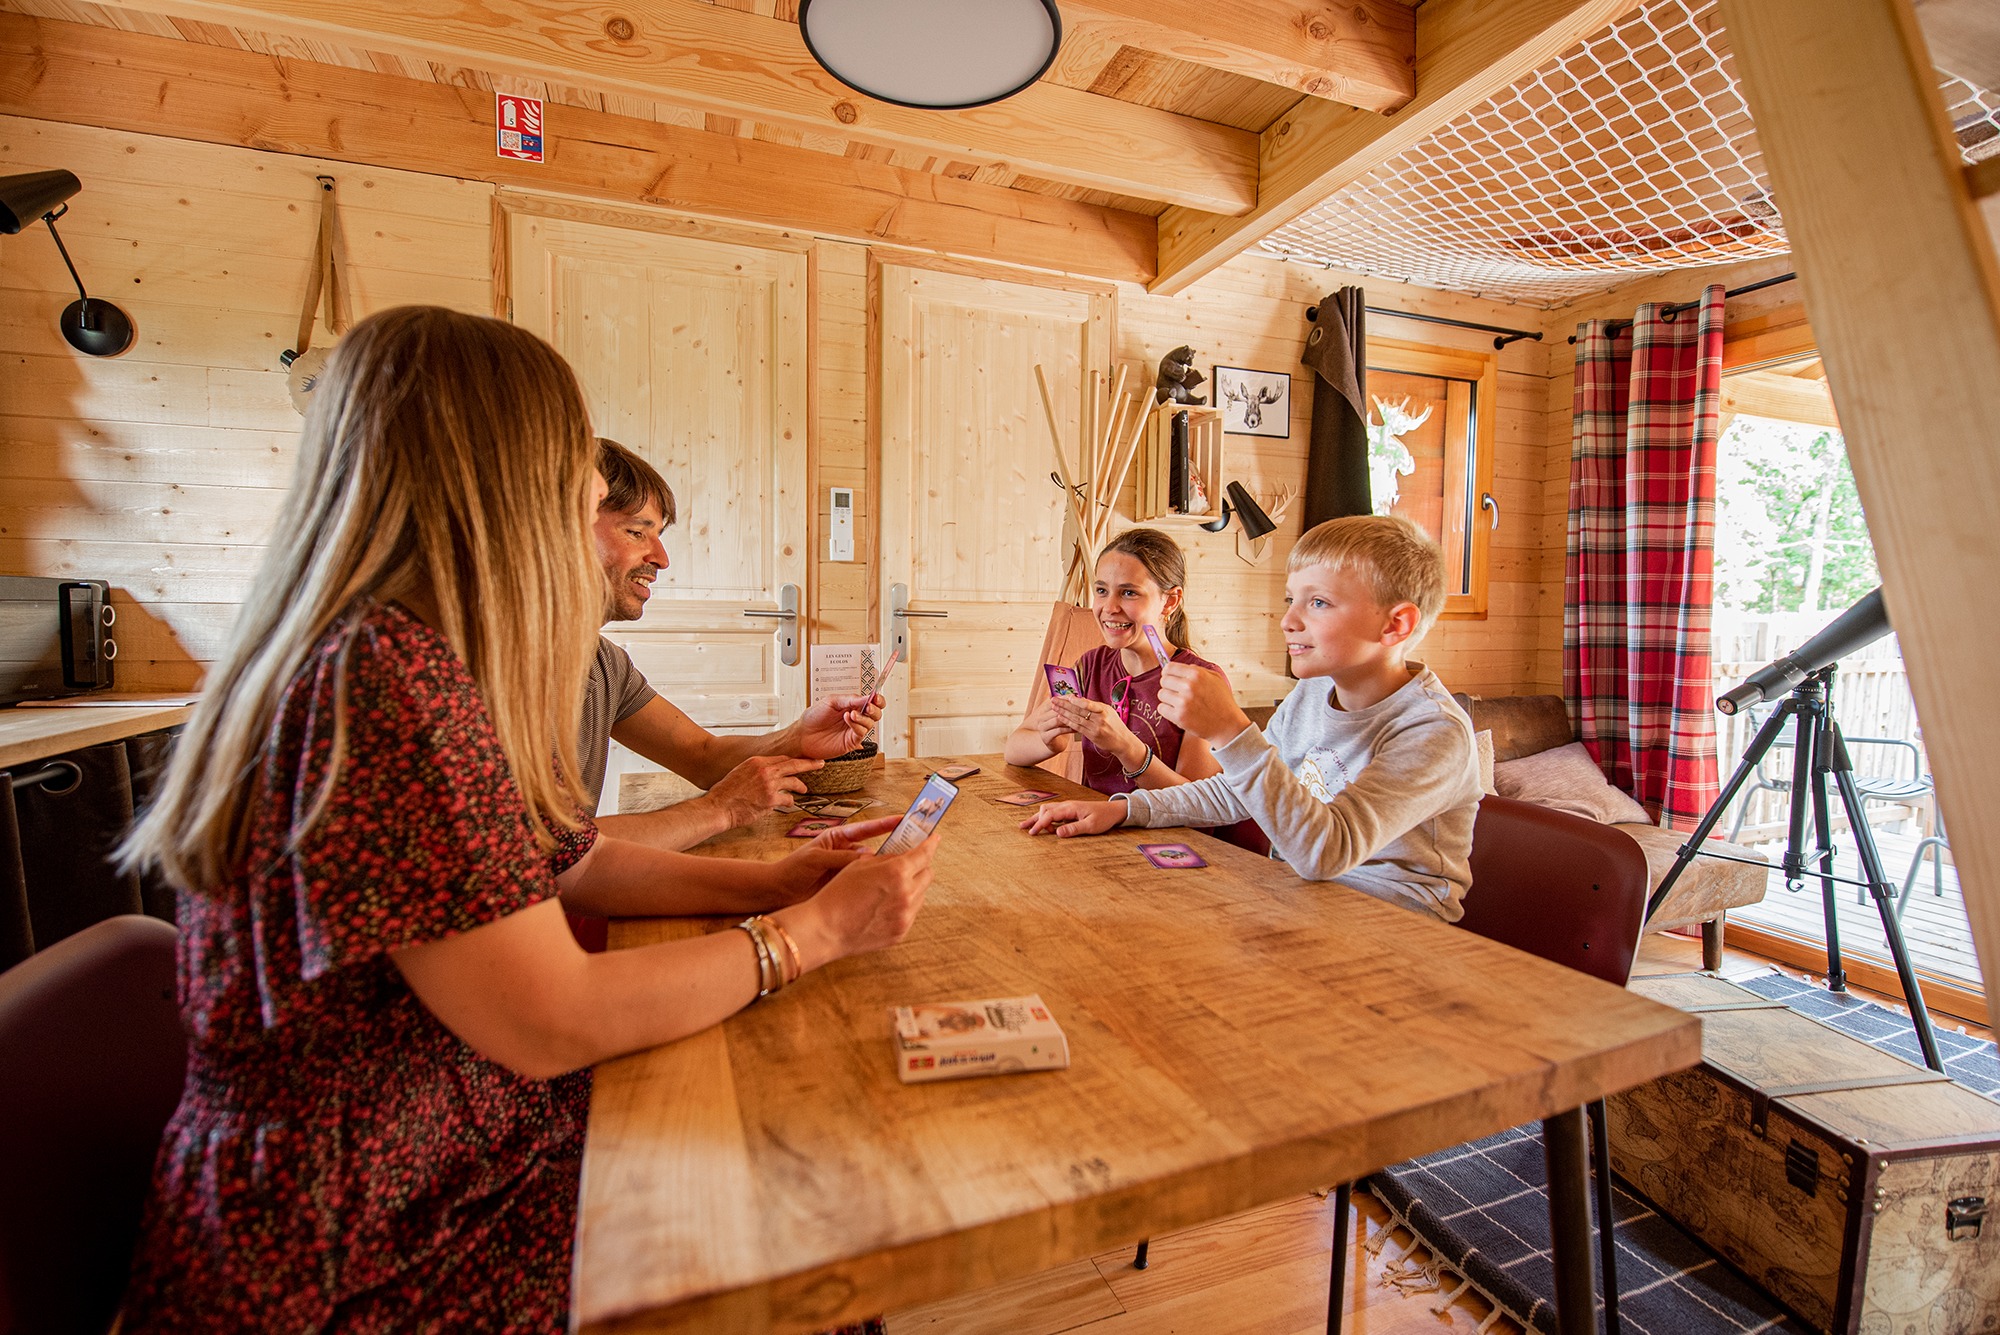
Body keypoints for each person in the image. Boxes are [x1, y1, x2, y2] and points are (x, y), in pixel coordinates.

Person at [114, 306, 935, 1332]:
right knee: (808, 1240)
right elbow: (549, 1020)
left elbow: (568, 861)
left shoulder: (403, 656)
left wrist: (773, 883)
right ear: (504, 487)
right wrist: (808, 936)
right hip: (363, 1237)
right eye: (586, 485)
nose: (597, 506)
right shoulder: (383, 683)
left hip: (422, 1146)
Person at [1021, 515, 1481, 922]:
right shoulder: (1313, 693)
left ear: (1395, 625)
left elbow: (1326, 852)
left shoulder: (1433, 729)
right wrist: (1122, 810)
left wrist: (1231, 732)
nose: (1288, 620)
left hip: (1397, 923)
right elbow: (1233, 791)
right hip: (1302, 895)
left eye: (1318, 602)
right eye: (1290, 599)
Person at [586, 437, 883, 849]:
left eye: (657, 534)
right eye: (636, 532)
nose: (662, 559)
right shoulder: (503, 676)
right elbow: (548, 851)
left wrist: (796, 737)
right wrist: (719, 809)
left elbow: (701, 755)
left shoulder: (605, 664)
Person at [1004, 528, 1266, 852]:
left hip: (1170, 848)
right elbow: (1013, 749)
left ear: (1170, 601)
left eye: (1128, 593)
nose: (1109, 607)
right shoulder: (1090, 666)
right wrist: (1048, 738)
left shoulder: (1200, 682)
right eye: (1102, 590)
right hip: (1096, 839)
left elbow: (1200, 813)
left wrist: (1125, 746)